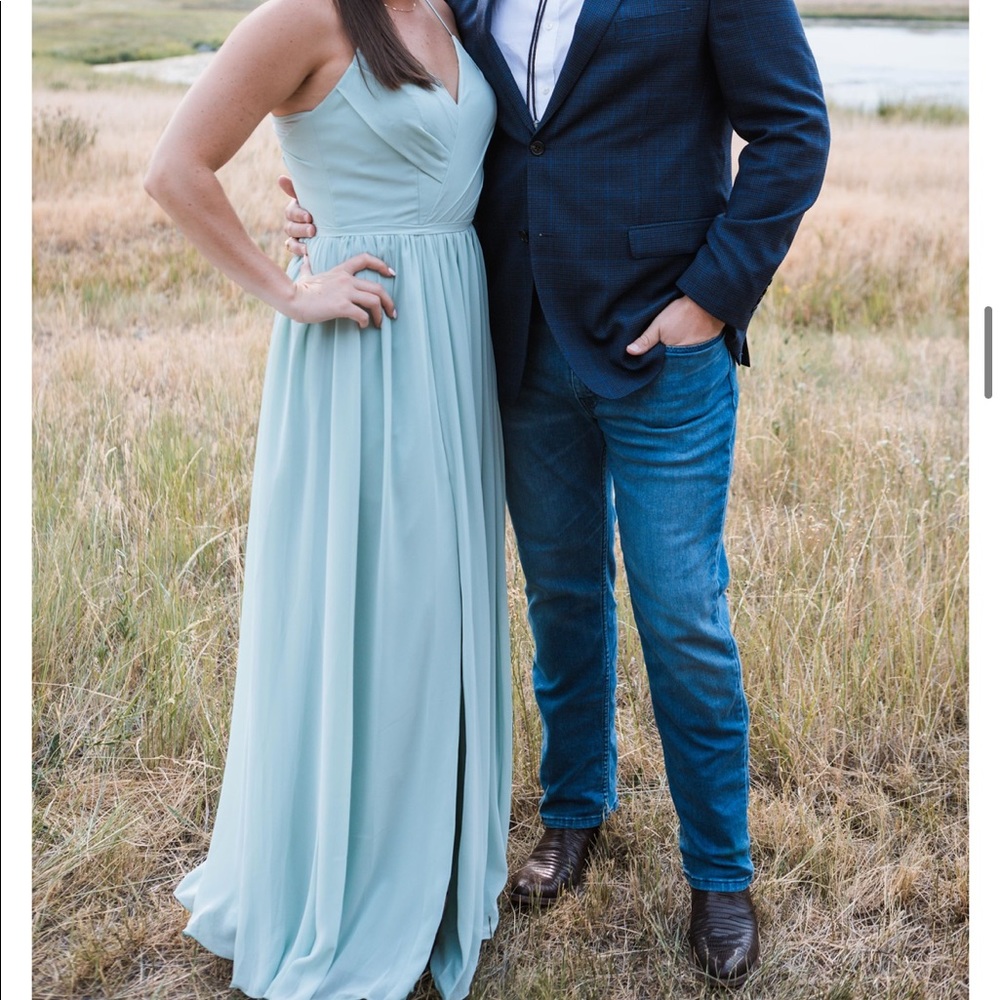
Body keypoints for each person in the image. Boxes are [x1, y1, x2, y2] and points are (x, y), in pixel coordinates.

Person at [284, 0, 831, 989]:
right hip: (520, 339)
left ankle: (718, 875)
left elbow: (794, 131)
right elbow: (426, 103)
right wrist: (323, 195)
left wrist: (707, 302)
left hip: (665, 348)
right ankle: (574, 813)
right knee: (561, 600)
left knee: (681, 614)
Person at [144, 1, 512, 998]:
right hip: (363, 349)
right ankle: (347, 879)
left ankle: (425, 860)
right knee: (371, 611)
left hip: (453, 336)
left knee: (434, 610)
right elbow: (174, 169)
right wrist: (291, 286)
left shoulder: (449, 8)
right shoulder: (302, 16)